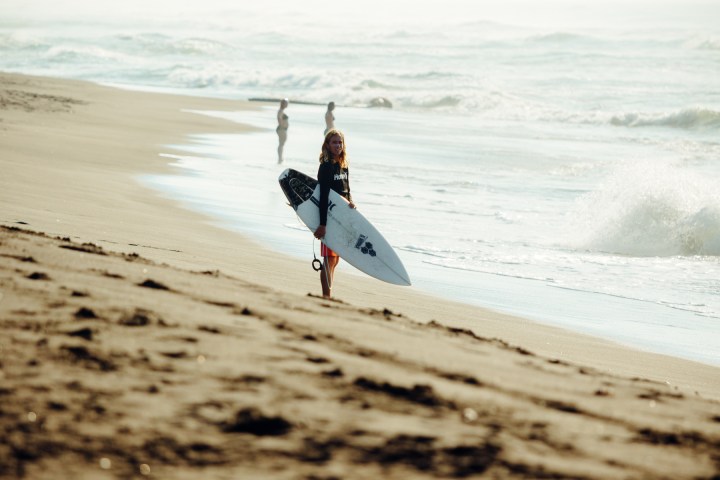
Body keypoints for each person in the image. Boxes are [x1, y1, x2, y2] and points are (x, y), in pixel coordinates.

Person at [313, 129, 355, 299]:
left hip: (342, 218)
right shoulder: (326, 167)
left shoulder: (343, 166)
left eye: (340, 142)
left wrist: (351, 201)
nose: (338, 145)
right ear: (327, 145)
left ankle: (327, 294)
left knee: (335, 260)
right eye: (334, 142)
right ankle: (326, 296)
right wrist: (322, 224)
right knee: (328, 260)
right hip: (330, 218)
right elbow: (323, 197)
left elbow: (346, 190)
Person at [276, 98, 289, 163]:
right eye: (286, 103)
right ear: (283, 104)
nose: (287, 104)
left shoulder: (282, 111)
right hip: (281, 129)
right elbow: (279, 119)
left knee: (281, 144)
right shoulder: (280, 111)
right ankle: (280, 158)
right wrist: (283, 126)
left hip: (282, 129)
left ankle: (280, 157)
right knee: (281, 143)